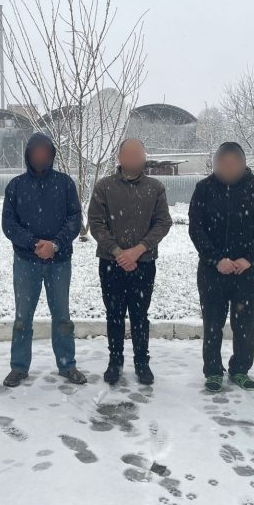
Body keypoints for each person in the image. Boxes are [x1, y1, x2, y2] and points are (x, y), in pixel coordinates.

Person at [1, 132, 86, 387]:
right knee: (22, 318)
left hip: (59, 262)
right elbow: (9, 224)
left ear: (51, 155)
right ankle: (19, 367)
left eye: (45, 152)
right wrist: (33, 243)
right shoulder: (16, 186)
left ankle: (67, 364)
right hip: (26, 262)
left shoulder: (65, 184)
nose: (40, 156)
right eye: (35, 151)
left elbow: (74, 219)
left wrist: (55, 244)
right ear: (28, 155)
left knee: (62, 316)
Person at [188, 142, 254, 392]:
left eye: (234, 162)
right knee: (213, 323)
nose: (228, 167)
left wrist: (250, 258)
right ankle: (213, 371)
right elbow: (196, 228)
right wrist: (216, 259)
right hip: (212, 271)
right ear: (215, 164)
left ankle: (240, 369)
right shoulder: (204, 189)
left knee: (245, 324)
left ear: (243, 164)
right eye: (223, 162)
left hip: (246, 272)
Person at [88, 138, 172, 385]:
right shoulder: (104, 187)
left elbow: (162, 222)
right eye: (129, 154)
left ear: (144, 157)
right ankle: (115, 361)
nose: (134, 158)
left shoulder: (155, 188)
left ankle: (142, 361)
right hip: (110, 262)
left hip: (143, 263)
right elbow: (96, 223)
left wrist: (138, 250)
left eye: (139, 154)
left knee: (139, 315)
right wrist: (117, 251)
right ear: (119, 158)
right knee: (114, 314)